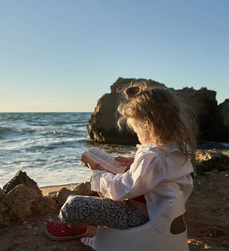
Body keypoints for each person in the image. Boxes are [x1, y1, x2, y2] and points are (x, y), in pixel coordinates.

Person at [44, 83, 197, 240]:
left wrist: (99, 174)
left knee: (73, 205)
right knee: (117, 177)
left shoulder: (152, 157)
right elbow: (161, 171)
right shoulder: (177, 149)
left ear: (148, 127)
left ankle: (74, 229)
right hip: (160, 211)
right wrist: (135, 161)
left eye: (136, 130)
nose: (137, 134)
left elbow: (124, 190)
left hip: (138, 217)